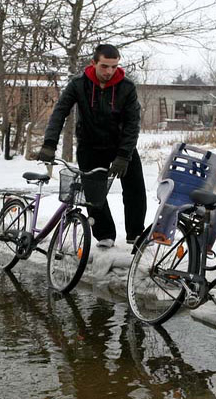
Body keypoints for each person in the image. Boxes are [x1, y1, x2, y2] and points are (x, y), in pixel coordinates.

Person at [37, 44, 146, 248]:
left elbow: (133, 124)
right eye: (104, 66)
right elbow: (60, 112)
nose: (109, 71)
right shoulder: (79, 84)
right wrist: (49, 143)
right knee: (94, 194)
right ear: (93, 63)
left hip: (120, 146)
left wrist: (124, 155)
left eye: (114, 67)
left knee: (135, 189)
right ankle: (104, 234)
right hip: (90, 146)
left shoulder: (127, 88)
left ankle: (136, 233)